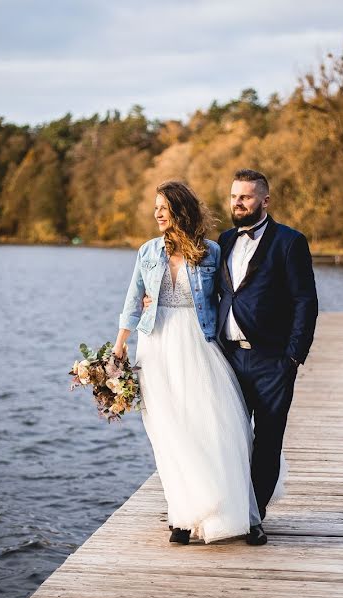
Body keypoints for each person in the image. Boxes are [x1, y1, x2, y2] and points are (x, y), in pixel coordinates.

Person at [113, 180, 261, 545]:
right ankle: (182, 515)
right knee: (168, 431)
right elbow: (133, 300)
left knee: (210, 423)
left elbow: (231, 297)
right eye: (156, 207)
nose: (156, 214)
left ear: (179, 210)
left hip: (198, 342)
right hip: (155, 345)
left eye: (163, 207)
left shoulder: (210, 252)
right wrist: (120, 348)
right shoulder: (148, 251)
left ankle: (229, 510)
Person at [216, 168, 318, 544]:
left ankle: (254, 517)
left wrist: (293, 357)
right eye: (233, 196)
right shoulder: (223, 241)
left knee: (268, 441)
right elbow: (207, 291)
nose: (237, 203)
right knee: (228, 438)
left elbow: (305, 301)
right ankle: (227, 510)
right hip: (228, 359)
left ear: (264, 200)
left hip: (272, 360)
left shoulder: (290, 242)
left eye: (244, 197)